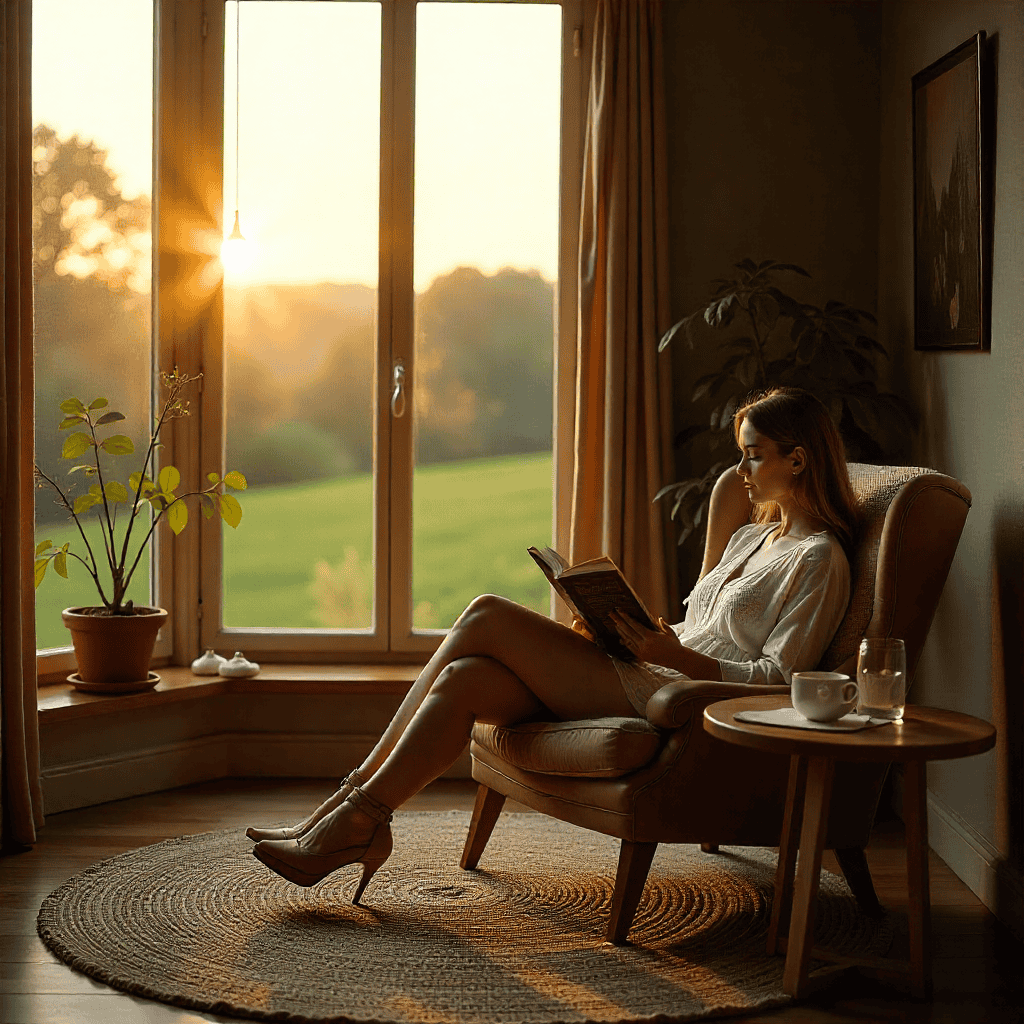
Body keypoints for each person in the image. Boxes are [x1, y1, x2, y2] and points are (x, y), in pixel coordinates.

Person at [248, 386, 857, 899]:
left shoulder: (819, 560)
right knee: (466, 680)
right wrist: (626, 630)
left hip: (677, 697)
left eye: (752, 456)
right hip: (649, 668)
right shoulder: (752, 540)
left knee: (485, 613)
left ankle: (346, 806)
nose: (740, 472)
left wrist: (667, 655)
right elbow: (698, 624)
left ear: (798, 460)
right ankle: (363, 819)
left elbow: (781, 681)